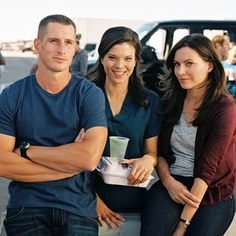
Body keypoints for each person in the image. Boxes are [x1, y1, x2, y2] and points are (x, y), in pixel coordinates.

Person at [0, 14, 107, 236]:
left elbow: (88, 158)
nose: (62, 49)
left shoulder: (88, 94)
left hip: (78, 208)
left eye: (69, 42)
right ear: (37, 45)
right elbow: (2, 163)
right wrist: (70, 164)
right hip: (26, 207)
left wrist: (27, 151)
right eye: (53, 41)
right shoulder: (12, 95)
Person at [141, 34, 236, 236]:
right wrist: (168, 182)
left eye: (189, 63)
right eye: (176, 64)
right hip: (173, 181)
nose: (180, 71)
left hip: (212, 190)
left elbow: (208, 169)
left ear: (209, 66)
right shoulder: (170, 100)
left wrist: (183, 225)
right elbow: (159, 152)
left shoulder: (224, 108)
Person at [88, 26, 163, 235]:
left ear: (136, 61)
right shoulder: (85, 96)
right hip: (88, 200)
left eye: (128, 58)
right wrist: (90, 199)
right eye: (112, 57)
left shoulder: (149, 102)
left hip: (134, 199)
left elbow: (152, 152)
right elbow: (71, 155)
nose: (120, 65)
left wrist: (148, 160)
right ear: (101, 58)